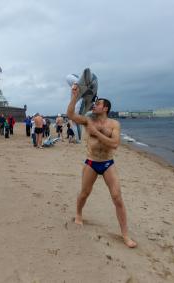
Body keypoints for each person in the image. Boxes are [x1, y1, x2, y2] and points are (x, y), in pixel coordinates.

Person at [67, 84, 137, 248]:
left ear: (105, 108)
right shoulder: (87, 120)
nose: (94, 105)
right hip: (91, 162)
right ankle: (78, 213)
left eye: (98, 104)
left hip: (107, 163)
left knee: (117, 197)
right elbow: (70, 114)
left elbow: (114, 144)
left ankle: (125, 235)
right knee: (84, 193)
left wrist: (96, 132)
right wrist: (75, 96)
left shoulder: (114, 124)